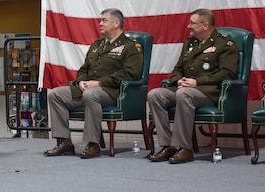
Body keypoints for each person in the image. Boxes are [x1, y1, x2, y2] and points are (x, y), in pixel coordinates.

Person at [44, 8, 144, 159]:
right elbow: (84, 68)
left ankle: (93, 143)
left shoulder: (131, 46)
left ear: (116, 23)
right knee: (55, 94)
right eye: (101, 20)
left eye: (104, 20)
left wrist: (99, 83)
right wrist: (81, 81)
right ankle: (64, 142)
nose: (100, 23)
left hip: (112, 91)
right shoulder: (97, 45)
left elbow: (131, 73)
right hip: (89, 88)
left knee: (91, 95)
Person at [148, 9, 238, 164]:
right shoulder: (189, 44)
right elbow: (177, 68)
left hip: (207, 92)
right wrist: (178, 81)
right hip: (184, 88)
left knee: (184, 94)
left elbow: (227, 73)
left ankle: (184, 148)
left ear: (205, 25)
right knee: (154, 94)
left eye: (192, 23)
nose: (188, 26)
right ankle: (167, 145)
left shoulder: (225, 44)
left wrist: (197, 82)